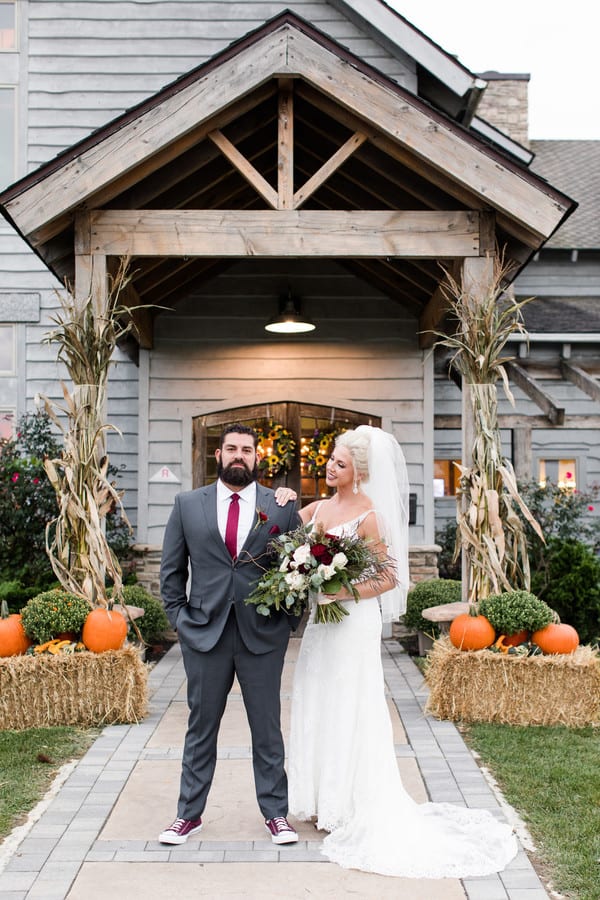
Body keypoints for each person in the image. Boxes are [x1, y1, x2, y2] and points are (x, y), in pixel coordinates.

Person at [288, 425, 518, 878]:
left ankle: (348, 804)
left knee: (350, 705)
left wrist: (343, 592)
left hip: (351, 624)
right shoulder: (316, 509)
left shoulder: (369, 515)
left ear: (357, 473)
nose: (330, 467)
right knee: (317, 700)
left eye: (340, 463)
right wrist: (280, 501)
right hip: (321, 628)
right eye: (331, 460)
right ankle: (318, 800)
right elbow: (284, 533)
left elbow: (391, 578)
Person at [158, 423, 301, 846]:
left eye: (248, 450)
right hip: (205, 635)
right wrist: (182, 623)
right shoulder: (187, 505)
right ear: (218, 456)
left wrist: (286, 622)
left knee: (267, 728)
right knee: (201, 727)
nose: (240, 455)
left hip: (262, 636)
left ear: (258, 458)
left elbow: (297, 567)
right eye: (232, 448)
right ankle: (188, 815)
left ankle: (276, 814)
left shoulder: (279, 507)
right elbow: (171, 574)